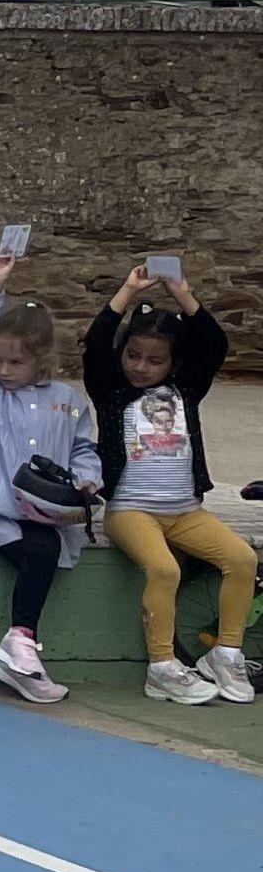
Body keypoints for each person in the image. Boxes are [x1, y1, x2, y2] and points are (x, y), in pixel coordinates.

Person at [83, 263, 251, 705]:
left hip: (186, 512)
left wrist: (182, 293)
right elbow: (97, 343)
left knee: (242, 558)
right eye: (133, 356)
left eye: (155, 360)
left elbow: (214, 344)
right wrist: (127, 290)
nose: (141, 367)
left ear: (174, 363)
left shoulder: (185, 389)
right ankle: (161, 666)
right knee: (164, 569)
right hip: (131, 510)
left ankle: (227, 652)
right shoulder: (111, 390)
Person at [0, 246, 104, 706]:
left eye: (15, 362)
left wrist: (86, 477)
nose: (3, 370)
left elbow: (84, 446)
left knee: (46, 545)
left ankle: (19, 647)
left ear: (42, 358)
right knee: (41, 552)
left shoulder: (68, 398)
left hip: (44, 508)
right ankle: (22, 645)